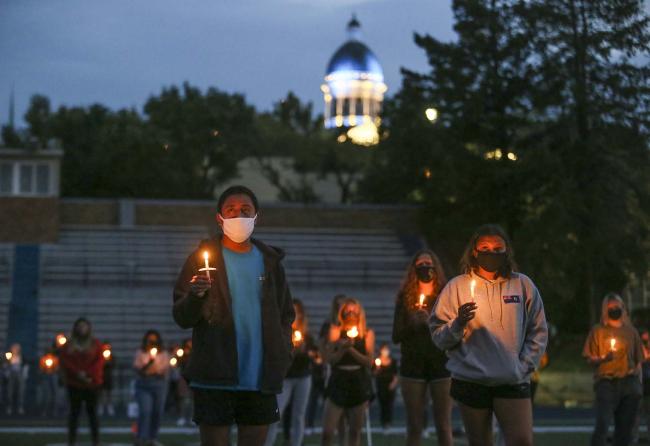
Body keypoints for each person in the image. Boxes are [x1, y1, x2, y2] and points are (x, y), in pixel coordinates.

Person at [173, 185, 295, 446]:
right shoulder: (201, 260)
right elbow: (181, 317)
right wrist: (195, 296)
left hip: (259, 379)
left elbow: (286, 314)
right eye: (231, 210)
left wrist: (283, 352)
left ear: (256, 217)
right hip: (214, 377)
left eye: (245, 210)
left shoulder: (270, 262)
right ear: (219, 218)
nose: (238, 215)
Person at [431, 224, 548, 446]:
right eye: (484, 247)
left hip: (512, 379)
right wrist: (458, 323)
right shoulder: (457, 287)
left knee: (522, 441)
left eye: (497, 248)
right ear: (474, 251)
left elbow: (538, 329)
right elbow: (439, 337)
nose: (491, 253)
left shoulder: (522, 285)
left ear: (506, 252)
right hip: (472, 380)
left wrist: (524, 365)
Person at [392, 249, 452, 446]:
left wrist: (431, 324)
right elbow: (396, 336)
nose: (425, 268)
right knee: (414, 425)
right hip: (413, 364)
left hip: (440, 363)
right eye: (420, 265)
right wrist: (413, 324)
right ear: (414, 269)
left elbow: (453, 332)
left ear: (435, 267)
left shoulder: (445, 295)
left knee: (443, 424)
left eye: (428, 264)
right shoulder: (404, 298)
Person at [583, 293, 643, 446]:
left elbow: (638, 360)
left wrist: (637, 381)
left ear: (623, 309)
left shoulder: (631, 332)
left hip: (629, 384)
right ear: (605, 310)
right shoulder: (598, 331)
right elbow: (589, 358)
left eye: (618, 307)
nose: (615, 310)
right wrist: (603, 359)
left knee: (624, 431)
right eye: (611, 308)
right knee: (602, 425)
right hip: (606, 383)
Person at [321, 297, 375, 446]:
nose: (351, 313)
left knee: (354, 431)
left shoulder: (367, 333)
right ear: (342, 312)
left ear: (360, 313)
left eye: (354, 310)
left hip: (358, 380)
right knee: (327, 432)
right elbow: (330, 359)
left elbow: (369, 362)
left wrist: (350, 349)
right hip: (339, 379)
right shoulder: (335, 331)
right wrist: (341, 349)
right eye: (347, 310)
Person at [265, 298, 316, 446]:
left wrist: (306, 351)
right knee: (277, 413)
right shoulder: (280, 331)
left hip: (303, 377)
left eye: (297, 312)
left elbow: (314, 355)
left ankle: (296, 443)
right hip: (285, 378)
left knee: (299, 415)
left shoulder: (306, 335)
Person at [59, 317, 105, 446]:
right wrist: (77, 373)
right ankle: (71, 441)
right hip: (74, 384)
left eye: (84, 326)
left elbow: (99, 362)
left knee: (93, 414)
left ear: (89, 328)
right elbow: (65, 361)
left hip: (92, 384)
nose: (82, 329)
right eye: (79, 326)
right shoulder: (69, 345)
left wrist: (88, 374)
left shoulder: (95, 344)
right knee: (74, 414)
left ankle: (96, 441)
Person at [133, 330, 171, 446]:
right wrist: (149, 365)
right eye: (150, 340)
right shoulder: (140, 353)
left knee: (157, 412)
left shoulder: (163, 354)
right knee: (145, 411)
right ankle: (141, 437)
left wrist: (154, 370)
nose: (152, 342)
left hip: (159, 385)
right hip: (144, 385)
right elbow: (138, 369)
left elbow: (164, 370)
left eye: (154, 340)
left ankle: (152, 438)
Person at [373, 343, 398, 432]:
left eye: (386, 349)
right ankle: (383, 423)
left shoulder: (393, 361)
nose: (385, 351)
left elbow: (396, 374)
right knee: (383, 404)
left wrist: (393, 383)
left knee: (389, 405)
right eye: (383, 349)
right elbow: (374, 374)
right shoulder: (377, 361)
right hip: (381, 385)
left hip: (390, 385)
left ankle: (388, 423)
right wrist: (377, 368)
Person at [4, 342, 28, 415]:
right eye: (14, 348)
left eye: (17, 348)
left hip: (20, 375)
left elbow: (25, 366)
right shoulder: (9, 357)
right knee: (10, 391)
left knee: (21, 391)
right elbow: (5, 366)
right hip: (12, 375)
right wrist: (7, 373)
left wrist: (24, 375)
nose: (15, 350)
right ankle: (9, 407)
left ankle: (20, 407)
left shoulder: (22, 357)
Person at [98, 341, 116, 417]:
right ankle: (101, 406)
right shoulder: (99, 355)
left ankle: (109, 406)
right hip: (101, 376)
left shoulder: (112, 356)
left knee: (109, 393)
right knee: (101, 393)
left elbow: (114, 364)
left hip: (109, 377)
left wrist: (109, 362)